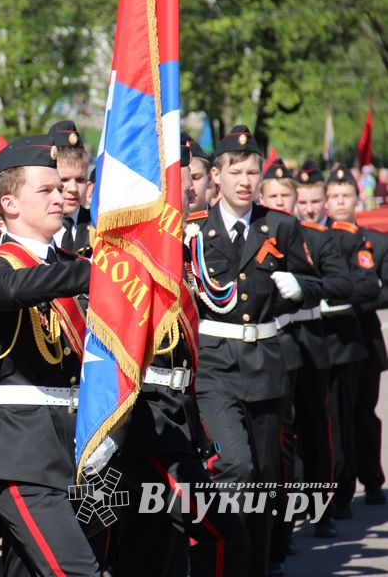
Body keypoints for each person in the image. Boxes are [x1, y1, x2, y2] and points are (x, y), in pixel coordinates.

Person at [107, 134, 249, 577]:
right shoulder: (133, 252)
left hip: (177, 416)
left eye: (193, 180)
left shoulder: (182, 249)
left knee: (154, 549)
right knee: (222, 530)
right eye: (182, 182)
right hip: (146, 421)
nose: (193, 190)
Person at [0, 134, 99, 576]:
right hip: (22, 453)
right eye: (47, 190)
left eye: (61, 188)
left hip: (79, 447)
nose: (62, 197)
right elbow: (14, 290)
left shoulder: (69, 263)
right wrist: (96, 271)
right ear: (10, 204)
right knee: (80, 571)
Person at [187, 126, 321, 577]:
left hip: (265, 361)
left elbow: (321, 283)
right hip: (215, 363)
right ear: (217, 177)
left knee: (265, 476)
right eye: (236, 171)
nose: (245, 180)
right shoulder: (195, 234)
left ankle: (258, 565)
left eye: (252, 171)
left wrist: (300, 286)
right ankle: (220, 559)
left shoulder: (279, 226)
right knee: (235, 464)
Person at [258, 161, 356, 572]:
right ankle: (282, 519)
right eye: (274, 198)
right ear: (264, 200)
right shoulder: (256, 236)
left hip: (310, 341)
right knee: (281, 438)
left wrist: (305, 289)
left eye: (287, 197)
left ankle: (323, 509)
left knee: (318, 428)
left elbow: (342, 283)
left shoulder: (315, 237)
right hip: (273, 341)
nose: (281, 203)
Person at [325, 166, 388, 510]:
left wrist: (357, 298)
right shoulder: (317, 239)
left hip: (365, 342)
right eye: (333, 196)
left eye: (345, 196)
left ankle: (372, 478)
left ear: (356, 198)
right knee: (338, 416)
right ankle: (342, 486)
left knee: (364, 414)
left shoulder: (376, 243)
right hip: (332, 343)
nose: (339, 202)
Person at [48, 121, 91, 255]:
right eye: (64, 180)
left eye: (80, 180)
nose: (73, 188)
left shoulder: (98, 227)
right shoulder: (29, 227)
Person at [187, 137, 214, 212]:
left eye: (196, 178)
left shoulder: (223, 222)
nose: (190, 187)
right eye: (180, 179)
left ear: (209, 178)